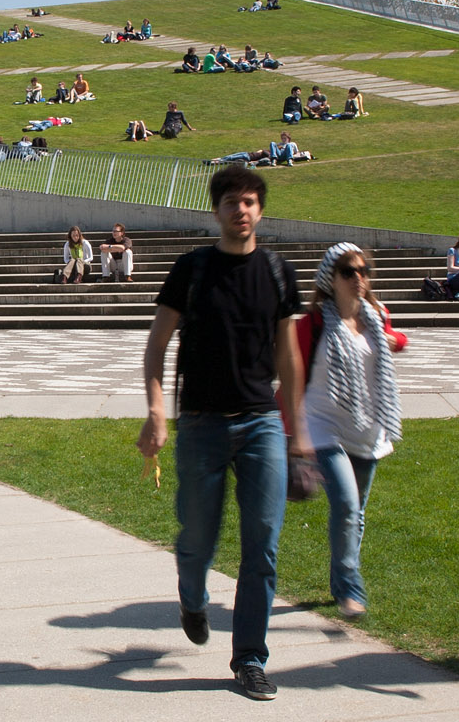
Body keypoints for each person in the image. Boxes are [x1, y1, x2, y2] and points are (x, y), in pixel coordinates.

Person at [139, 165, 305, 701]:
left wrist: (296, 431)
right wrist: (157, 411)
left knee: (263, 545)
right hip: (203, 424)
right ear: (217, 210)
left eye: (251, 201)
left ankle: (250, 659)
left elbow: (289, 354)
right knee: (196, 536)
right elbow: (156, 347)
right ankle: (192, 594)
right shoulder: (191, 270)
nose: (242, 209)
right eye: (232, 201)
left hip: (260, 423)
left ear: (261, 210)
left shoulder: (278, 272)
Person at [297, 243, 403, 621]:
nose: (359, 278)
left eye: (364, 271)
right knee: (345, 504)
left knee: (355, 514)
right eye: (349, 272)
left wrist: (396, 341)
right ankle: (349, 590)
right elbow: (291, 376)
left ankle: (338, 580)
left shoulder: (377, 315)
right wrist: (291, 434)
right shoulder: (313, 324)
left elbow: (396, 339)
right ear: (331, 278)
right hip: (323, 426)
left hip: (368, 428)